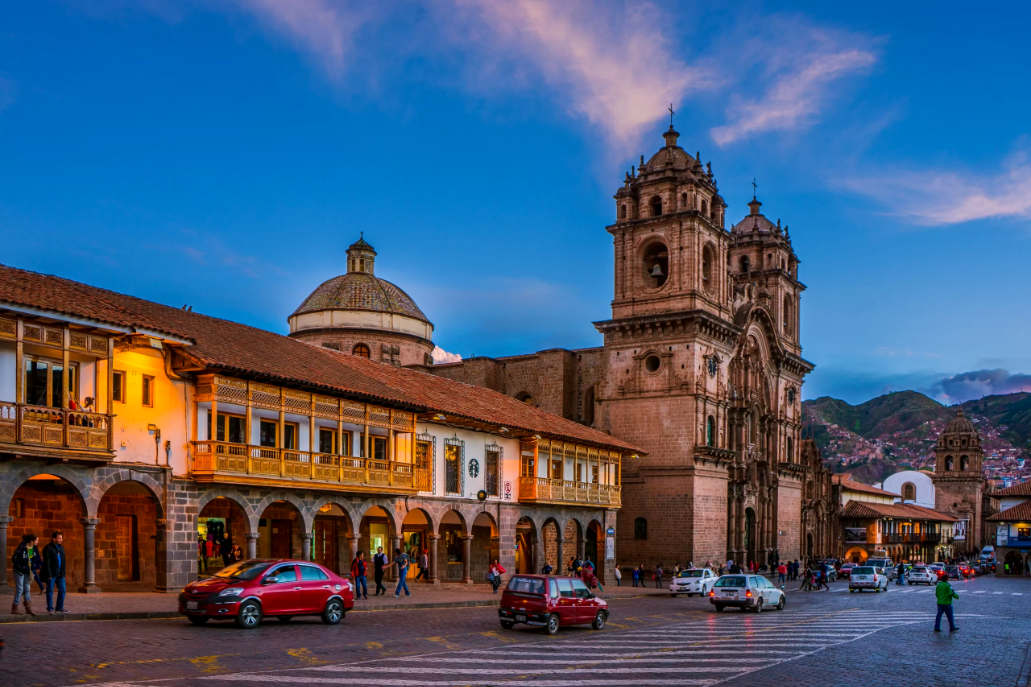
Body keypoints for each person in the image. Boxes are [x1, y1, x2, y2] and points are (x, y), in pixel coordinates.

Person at [11, 533, 39, 616]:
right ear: (31, 541)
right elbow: (14, 558)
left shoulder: (33, 548)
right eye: (36, 540)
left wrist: (34, 566)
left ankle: (28, 608)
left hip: (28, 572)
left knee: (27, 589)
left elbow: (35, 560)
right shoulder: (22, 547)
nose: (37, 542)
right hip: (19, 571)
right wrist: (21, 567)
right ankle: (14, 608)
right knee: (20, 589)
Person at [41, 530, 67, 614]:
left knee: (62, 590)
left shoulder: (61, 547)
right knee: (50, 591)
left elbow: (63, 561)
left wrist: (63, 572)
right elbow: (47, 562)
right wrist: (49, 574)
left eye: (61, 538)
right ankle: (50, 608)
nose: (61, 540)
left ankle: (59, 608)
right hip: (51, 574)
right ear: (54, 539)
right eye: (59, 538)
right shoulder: (48, 548)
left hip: (60, 574)